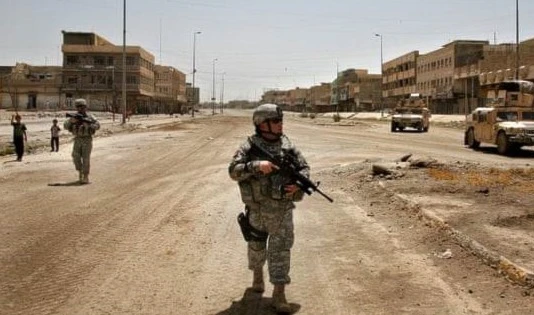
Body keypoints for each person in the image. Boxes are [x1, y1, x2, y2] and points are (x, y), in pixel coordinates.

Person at [228, 103, 310, 313]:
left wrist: (298, 185)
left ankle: (279, 293)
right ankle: (257, 276)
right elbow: (233, 171)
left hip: (282, 210)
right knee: (256, 248)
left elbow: (304, 168)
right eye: (275, 121)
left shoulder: (287, 145)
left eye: (281, 120)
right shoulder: (249, 146)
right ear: (262, 124)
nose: (280, 124)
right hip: (257, 209)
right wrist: (256, 166)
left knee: (281, 251)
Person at [64, 99, 100, 184]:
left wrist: (90, 125)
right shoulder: (74, 117)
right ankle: (80, 172)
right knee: (75, 157)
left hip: (87, 139)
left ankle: (85, 176)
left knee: (85, 158)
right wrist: (71, 121)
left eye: (82, 107)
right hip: (77, 139)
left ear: (85, 107)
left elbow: (98, 125)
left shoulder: (90, 117)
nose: (80, 108)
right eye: (78, 107)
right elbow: (65, 126)